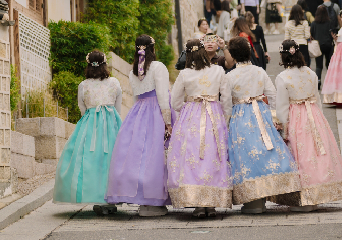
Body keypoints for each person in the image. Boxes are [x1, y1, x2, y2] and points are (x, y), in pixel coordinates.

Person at [222, 37, 300, 213]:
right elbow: (272, 95)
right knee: (266, 151)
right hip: (261, 114)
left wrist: (225, 123)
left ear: (233, 56)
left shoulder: (229, 76)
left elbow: (226, 104)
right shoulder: (259, 71)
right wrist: (276, 117)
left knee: (245, 155)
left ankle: (253, 200)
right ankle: (266, 192)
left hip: (240, 116)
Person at [272, 40, 342, 209]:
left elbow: (282, 107)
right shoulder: (310, 73)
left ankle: (303, 196)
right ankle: (318, 192)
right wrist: (319, 117)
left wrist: (283, 126)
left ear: (283, 56)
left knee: (300, 152)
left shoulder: (282, 77)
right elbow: (317, 98)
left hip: (296, 116)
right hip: (313, 114)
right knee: (316, 152)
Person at [106, 35, 172, 216]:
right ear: (153, 48)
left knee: (139, 155)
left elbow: (136, 97)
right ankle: (155, 199)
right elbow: (162, 96)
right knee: (156, 155)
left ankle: (142, 198)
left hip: (138, 112)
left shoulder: (132, 71)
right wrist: (168, 121)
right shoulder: (158, 67)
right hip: (156, 112)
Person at [167, 39, 233, 216]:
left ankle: (197, 203)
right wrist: (225, 117)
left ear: (187, 55)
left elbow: (175, 101)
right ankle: (211, 203)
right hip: (213, 114)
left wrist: (189, 107)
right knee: (213, 154)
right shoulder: (218, 70)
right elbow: (226, 99)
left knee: (192, 155)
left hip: (191, 116)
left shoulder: (185, 74)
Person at [54, 51, 123, 212]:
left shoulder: (83, 85)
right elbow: (118, 107)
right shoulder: (114, 82)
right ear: (105, 64)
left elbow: (82, 108)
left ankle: (96, 198)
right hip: (112, 122)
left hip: (90, 123)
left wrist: (92, 116)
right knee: (111, 159)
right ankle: (112, 198)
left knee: (89, 160)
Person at [310, 5, 335, 87]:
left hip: (318, 45)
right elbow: (333, 33)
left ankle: (318, 82)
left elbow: (312, 34)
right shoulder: (329, 22)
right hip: (328, 45)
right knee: (329, 64)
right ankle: (331, 81)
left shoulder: (314, 23)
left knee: (318, 65)